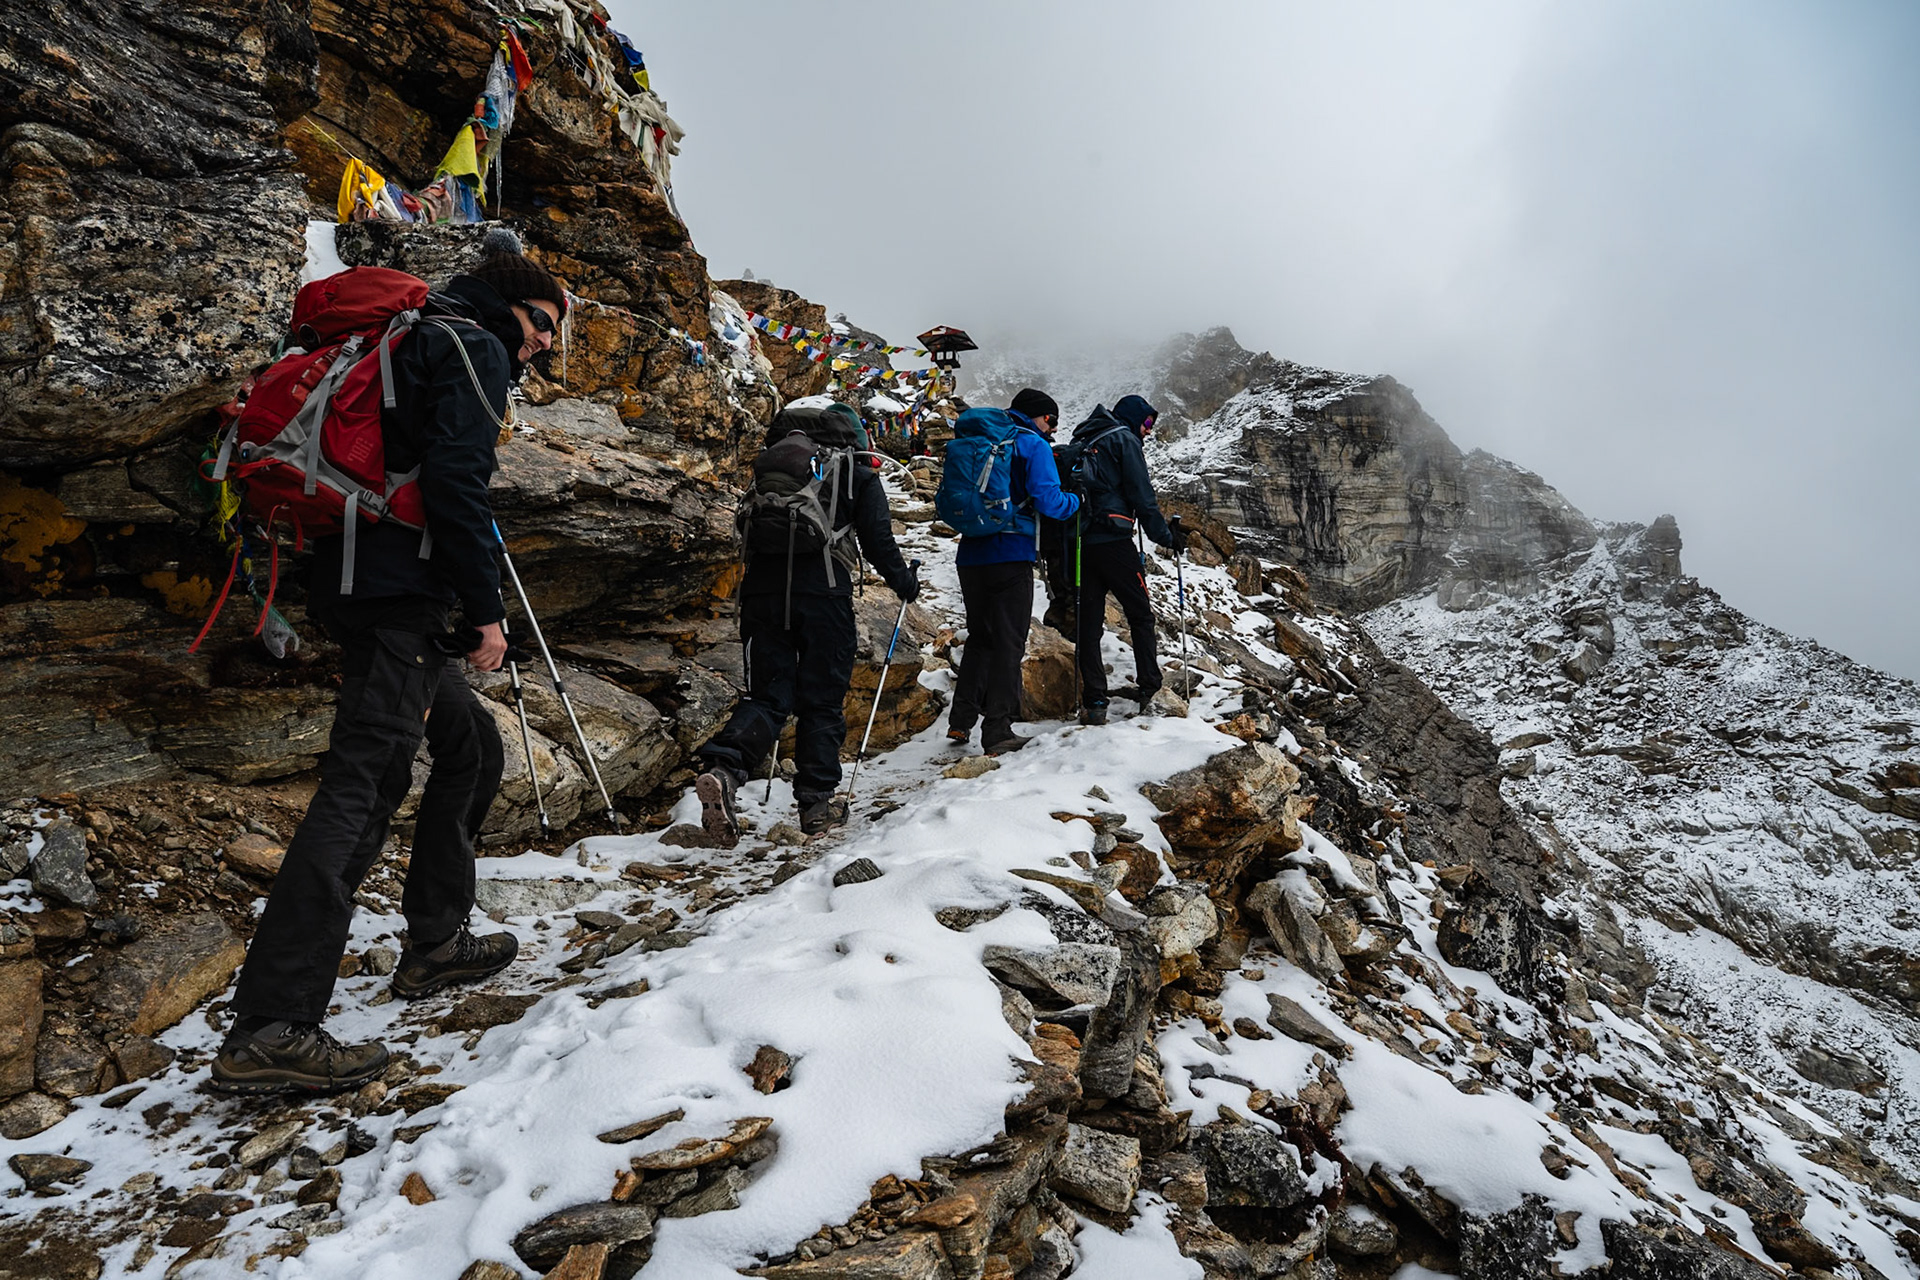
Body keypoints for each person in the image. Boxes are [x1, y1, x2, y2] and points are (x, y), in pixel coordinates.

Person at [213, 244, 567, 1095]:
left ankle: (436, 941)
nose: (546, 343)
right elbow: (456, 486)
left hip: (357, 579)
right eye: (542, 322)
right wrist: (485, 612)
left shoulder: (411, 336)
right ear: (508, 305)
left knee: (471, 744)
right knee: (365, 786)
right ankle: (272, 1026)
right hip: (399, 592)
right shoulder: (471, 345)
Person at [695, 402, 919, 843]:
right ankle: (816, 806)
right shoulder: (855, 472)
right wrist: (905, 583)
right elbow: (878, 542)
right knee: (822, 699)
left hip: (761, 595)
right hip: (823, 597)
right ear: (853, 438)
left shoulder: (775, 468)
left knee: (769, 695)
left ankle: (724, 768)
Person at [946, 390, 1081, 754]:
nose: (1053, 428)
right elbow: (1049, 501)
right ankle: (998, 730)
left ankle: (960, 720)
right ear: (1039, 416)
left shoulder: (980, 439)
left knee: (980, 636)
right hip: (1011, 553)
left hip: (971, 554)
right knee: (1009, 641)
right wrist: (1077, 500)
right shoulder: (1031, 445)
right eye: (1051, 420)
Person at [1068, 394, 1186, 726]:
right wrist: (1166, 537)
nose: (1148, 430)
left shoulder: (1084, 439)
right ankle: (1150, 688)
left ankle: (1094, 701)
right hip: (1115, 543)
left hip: (1081, 543)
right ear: (1133, 417)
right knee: (1140, 615)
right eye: (1147, 422)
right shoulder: (1124, 439)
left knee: (1088, 624)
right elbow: (1142, 496)